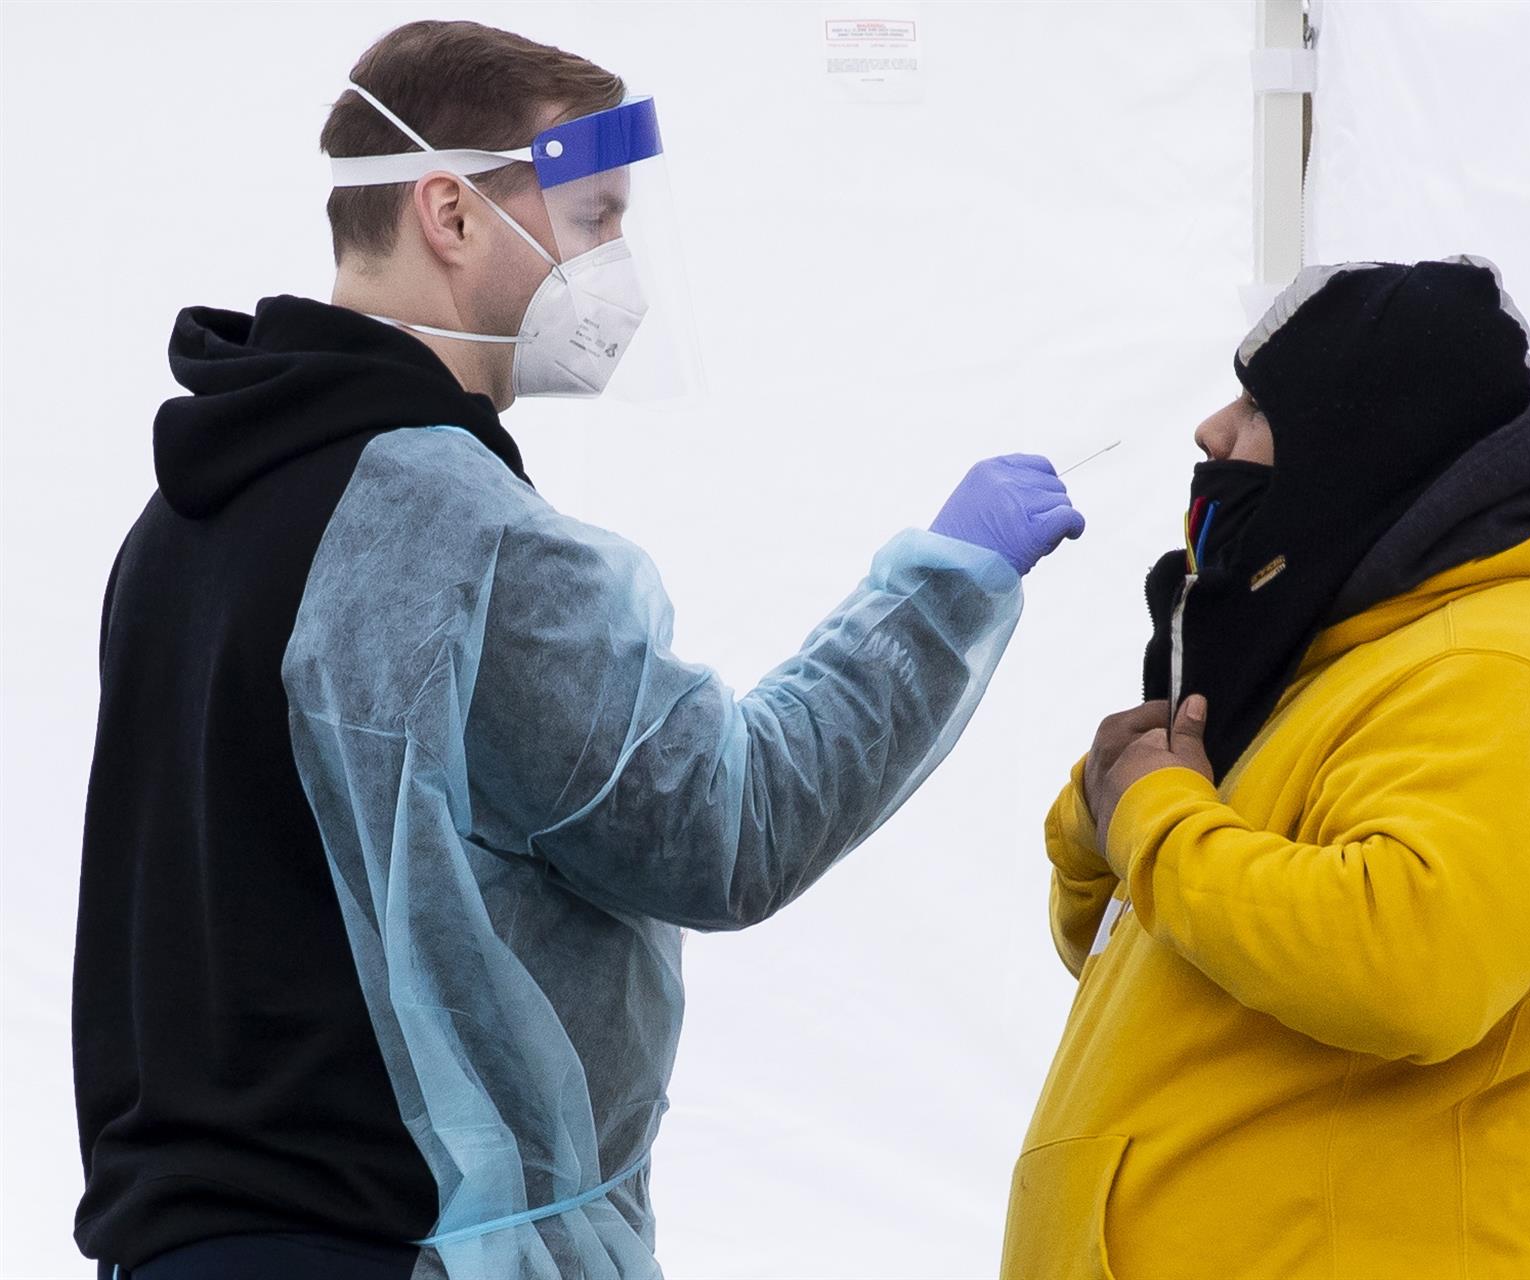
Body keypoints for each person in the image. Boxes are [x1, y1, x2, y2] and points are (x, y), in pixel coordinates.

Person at [72, 20, 1083, 1280]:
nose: (621, 271)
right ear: (448, 211)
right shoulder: (450, 527)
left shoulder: (185, 508)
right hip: (380, 1240)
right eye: (595, 217)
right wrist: (943, 589)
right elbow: (727, 827)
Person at [1004, 256, 1530, 1278]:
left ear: (1361, 449)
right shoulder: (1343, 666)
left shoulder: (1503, 671)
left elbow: (1408, 960)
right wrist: (1100, 825)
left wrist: (1154, 820)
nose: (1213, 434)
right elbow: (1164, 966)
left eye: (1260, 406)